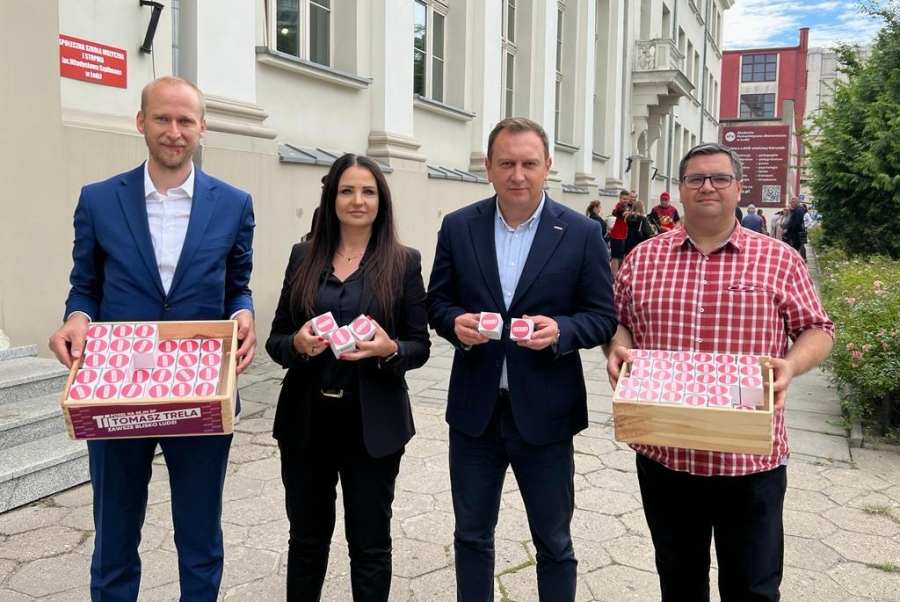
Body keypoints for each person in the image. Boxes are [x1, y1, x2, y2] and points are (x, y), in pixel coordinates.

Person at [48, 76, 257, 602]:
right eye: (162, 118)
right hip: (117, 390)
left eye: (185, 120)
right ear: (141, 122)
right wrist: (76, 317)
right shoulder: (98, 200)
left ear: (202, 127)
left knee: (200, 537)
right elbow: (85, 285)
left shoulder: (234, 204)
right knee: (114, 538)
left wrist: (243, 314)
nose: (173, 131)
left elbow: (238, 283)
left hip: (200, 387)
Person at [606, 142, 834, 602]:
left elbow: (817, 329)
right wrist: (618, 348)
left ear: (738, 187)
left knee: (752, 587)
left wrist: (790, 365)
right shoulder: (643, 258)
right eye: (696, 178)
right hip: (666, 453)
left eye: (719, 178)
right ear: (680, 188)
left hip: (750, 459)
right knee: (679, 582)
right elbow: (619, 321)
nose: (707, 187)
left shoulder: (779, 259)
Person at [427, 117, 617, 601]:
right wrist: (455, 323)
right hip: (475, 412)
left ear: (547, 166)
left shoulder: (581, 232)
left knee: (554, 543)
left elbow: (602, 316)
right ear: (488, 167)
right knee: (472, 536)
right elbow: (437, 301)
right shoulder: (458, 226)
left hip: (546, 412)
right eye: (506, 163)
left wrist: (563, 331)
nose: (517, 175)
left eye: (529, 163)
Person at [266, 154, 431, 601]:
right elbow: (276, 339)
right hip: (306, 422)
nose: (357, 200)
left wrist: (390, 349)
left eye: (368, 191)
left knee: (370, 544)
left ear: (381, 200)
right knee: (306, 540)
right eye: (347, 190)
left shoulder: (404, 262)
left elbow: (419, 345)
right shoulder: (303, 256)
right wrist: (297, 343)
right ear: (331, 198)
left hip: (372, 424)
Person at [609, 189, 632, 275]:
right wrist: (634, 212)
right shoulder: (618, 207)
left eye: (627, 199)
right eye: (624, 199)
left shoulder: (626, 207)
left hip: (623, 235)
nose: (625, 201)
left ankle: (619, 274)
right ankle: (614, 276)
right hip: (616, 235)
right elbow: (623, 213)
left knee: (621, 256)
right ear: (620, 198)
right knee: (615, 257)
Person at [783, 196, 809, 261]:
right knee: (796, 248)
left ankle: (797, 261)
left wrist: (790, 232)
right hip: (795, 233)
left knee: (796, 248)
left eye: (793, 202)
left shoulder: (798, 211)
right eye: (791, 202)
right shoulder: (795, 210)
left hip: (796, 234)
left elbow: (796, 223)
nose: (792, 204)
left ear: (797, 203)